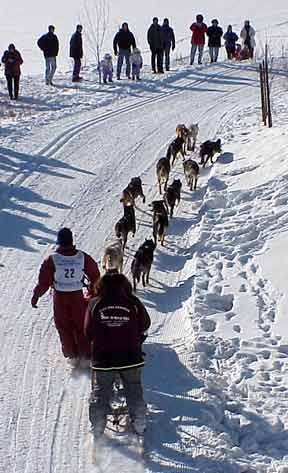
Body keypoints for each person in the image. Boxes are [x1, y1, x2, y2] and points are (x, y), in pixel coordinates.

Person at [85, 272, 151, 439]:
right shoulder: (133, 302)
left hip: (103, 359)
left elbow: (87, 331)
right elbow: (145, 324)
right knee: (133, 388)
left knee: (100, 392)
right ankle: (139, 421)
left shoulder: (94, 303)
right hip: (130, 357)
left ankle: (98, 425)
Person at [31, 228, 100, 366]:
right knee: (81, 325)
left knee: (64, 326)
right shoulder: (82, 257)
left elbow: (44, 282)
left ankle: (71, 355)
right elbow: (95, 275)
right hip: (77, 296)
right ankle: (85, 355)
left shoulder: (52, 260)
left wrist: (36, 295)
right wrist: (94, 290)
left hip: (60, 297)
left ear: (59, 242)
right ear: (72, 241)